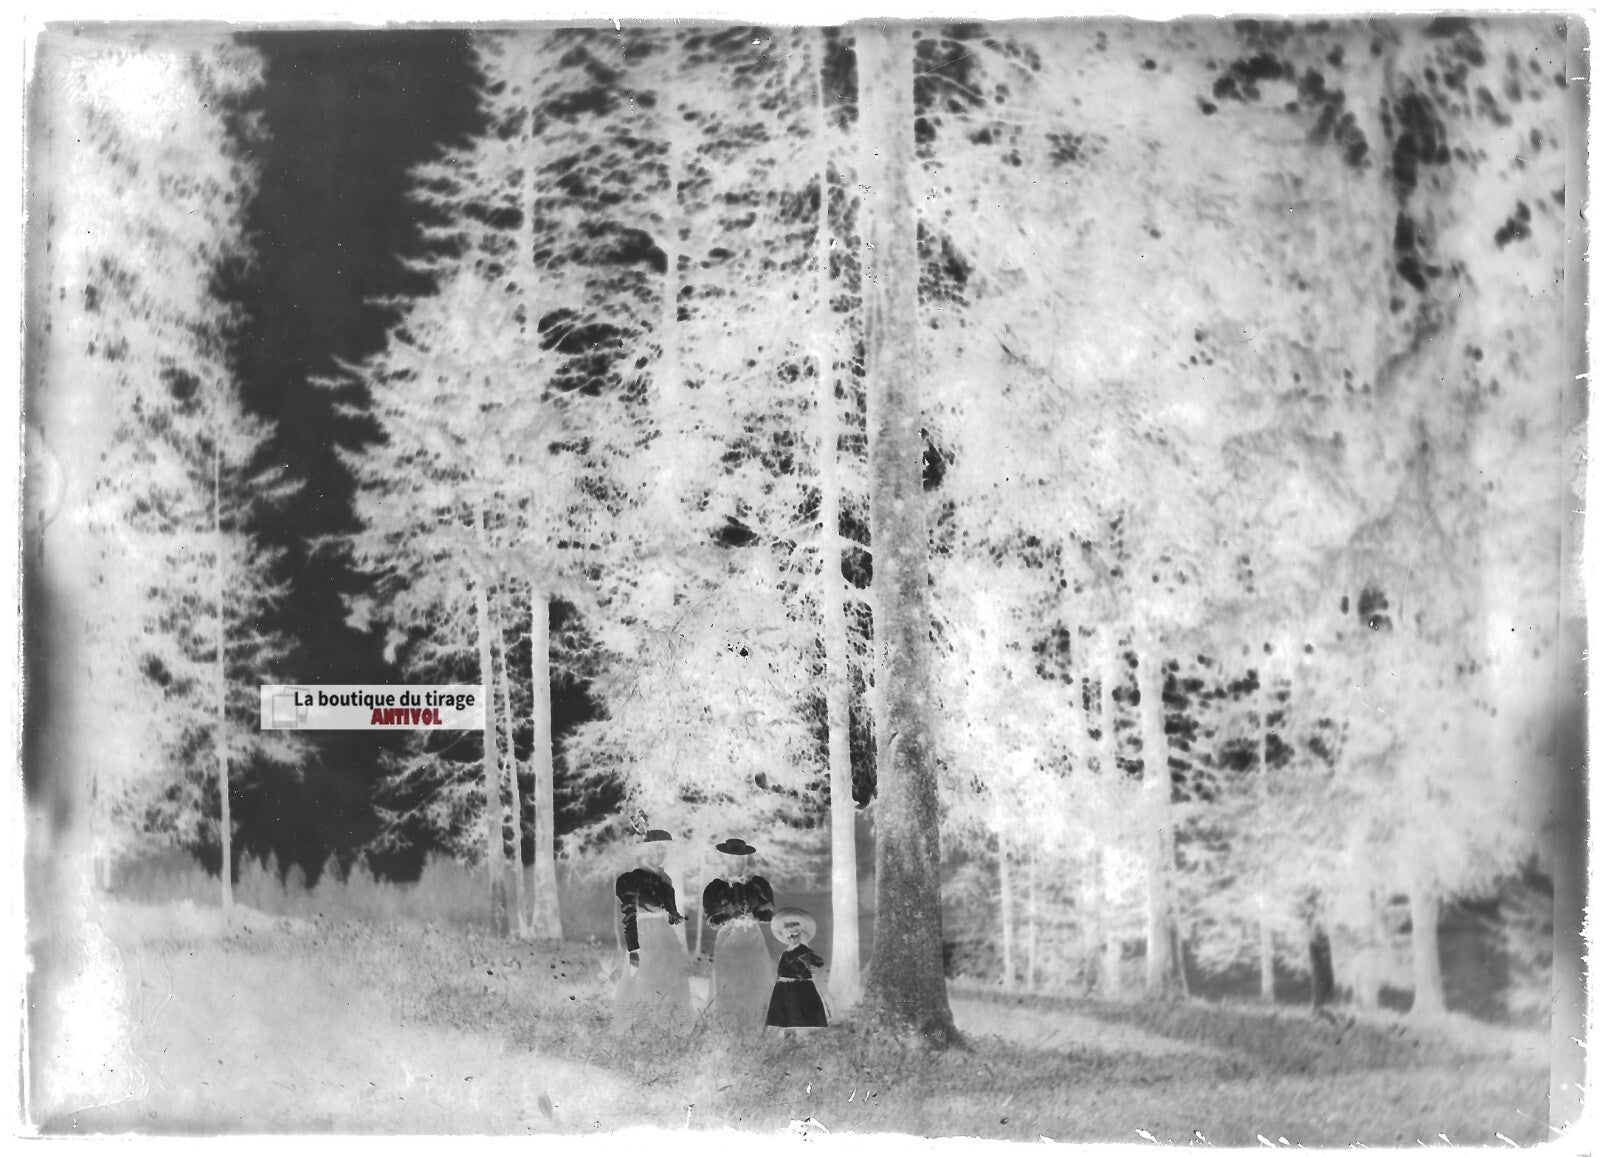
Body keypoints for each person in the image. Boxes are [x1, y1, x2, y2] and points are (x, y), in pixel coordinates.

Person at [613, 829, 691, 1033]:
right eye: (655, 849)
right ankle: (639, 1029)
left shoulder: (666, 879)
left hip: (665, 936)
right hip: (644, 935)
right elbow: (629, 916)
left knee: (668, 980)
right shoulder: (631, 879)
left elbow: (670, 911)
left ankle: (668, 1028)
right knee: (642, 980)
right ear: (644, 851)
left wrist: (673, 915)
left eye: (662, 849)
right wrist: (633, 949)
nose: (659, 853)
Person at [701, 837, 775, 1032]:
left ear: (746, 861)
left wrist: (754, 915)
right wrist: (729, 916)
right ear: (725, 860)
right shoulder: (716, 888)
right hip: (728, 939)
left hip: (752, 938)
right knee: (729, 981)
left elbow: (768, 914)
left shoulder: (756, 885)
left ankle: (756, 1026)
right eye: (732, 859)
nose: (736, 864)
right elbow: (712, 921)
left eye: (740, 860)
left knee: (754, 979)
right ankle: (728, 1027)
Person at [765, 906, 830, 1030]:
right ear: (784, 937)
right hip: (783, 988)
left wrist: (812, 962)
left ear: (801, 934)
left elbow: (816, 963)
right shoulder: (785, 952)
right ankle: (788, 1034)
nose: (792, 938)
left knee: (800, 1014)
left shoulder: (802, 951)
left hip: (799, 987)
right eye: (789, 937)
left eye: (795, 935)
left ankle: (801, 1033)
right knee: (785, 1016)